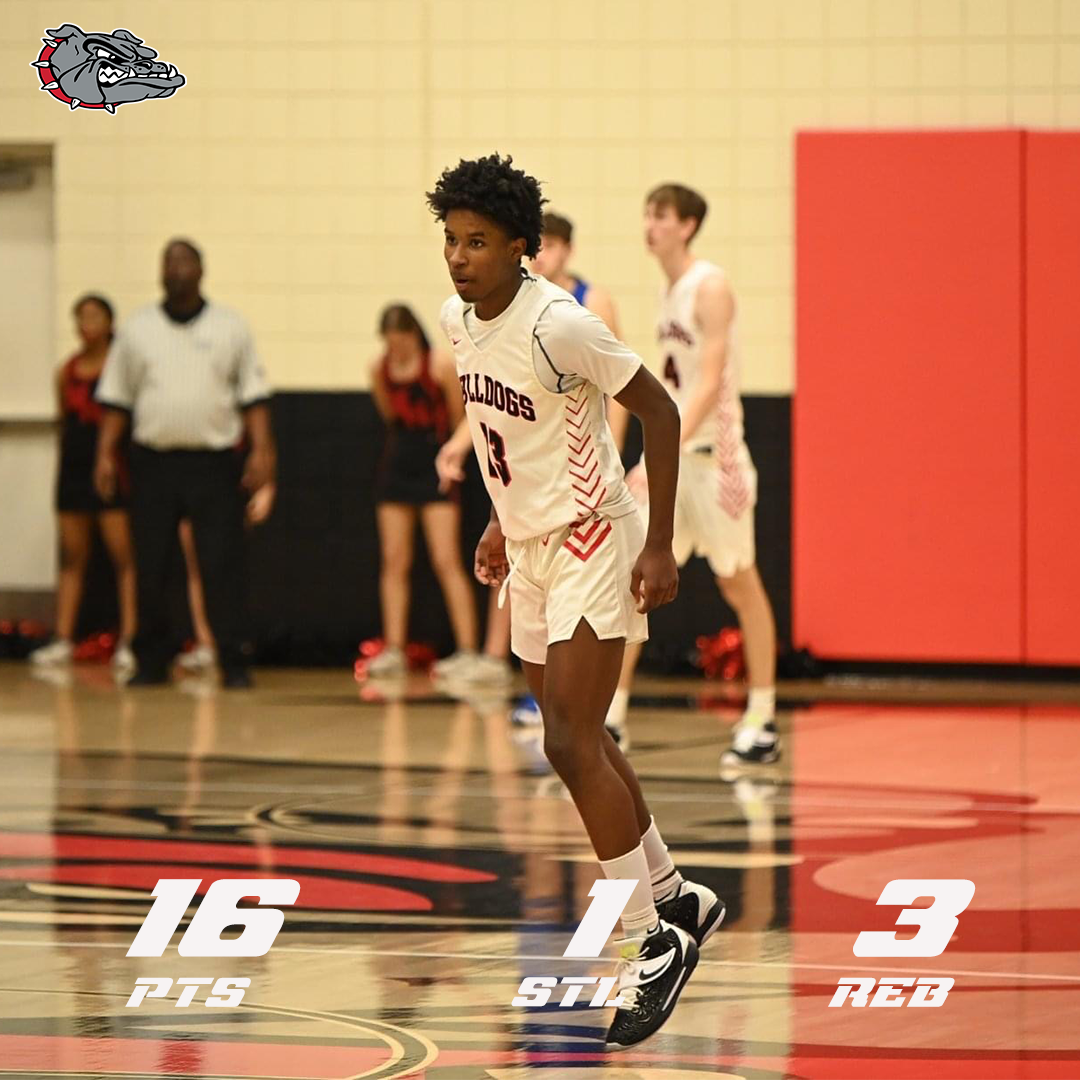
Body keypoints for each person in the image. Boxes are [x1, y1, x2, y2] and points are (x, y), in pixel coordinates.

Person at [427, 154, 724, 1048]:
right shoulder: (456, 320)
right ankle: (674, 897)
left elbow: (661, 411)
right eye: (452, 239)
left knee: (565, 737)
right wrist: (498, 519)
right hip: (528, 547)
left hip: (593, 534)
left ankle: (650, 940)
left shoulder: (560, 322)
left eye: (479, 241)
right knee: (582, 737)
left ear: (522, 246)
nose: (460, 256)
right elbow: (502, 433)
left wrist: (659, 543)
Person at [617, 183, 779, 772]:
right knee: (633, 582)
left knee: (739, 584)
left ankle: (762, 717)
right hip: (678, 462)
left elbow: (709, 385)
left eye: (660, 215)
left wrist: (656, 452)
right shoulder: (666, 291)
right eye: (647, 213)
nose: (650, 224)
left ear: (686, 225)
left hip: (716, 462)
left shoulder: (710, 286)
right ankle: (611, 716)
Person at [94, 239, 275, 689]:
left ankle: (232, 658)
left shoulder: (230, 326)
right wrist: (104, 454)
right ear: (160, 272)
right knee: (151, 563)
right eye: (169, 262)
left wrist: (262, 451)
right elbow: (117, 401)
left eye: (185, 262)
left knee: (221, 563)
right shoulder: (137, 330)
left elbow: (253, 397)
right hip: (152, 462)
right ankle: (152, 660)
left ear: (201, 270)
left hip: (213, 464)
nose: (176, 269)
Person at [366, 304, 495, 681]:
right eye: (390, 343)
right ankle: (394, 648)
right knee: (394, 560)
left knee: (445, 558)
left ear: (414, 334)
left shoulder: (438, 364)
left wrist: (450, 453)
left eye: (401, 341)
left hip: (436, 460)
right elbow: (389, 414)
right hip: (397, 463)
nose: (397, 350)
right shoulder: (378, 368)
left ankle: (468, 649)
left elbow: (460, 414)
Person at [30, 294, 136, 675]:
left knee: (123, 556)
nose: (86, 324)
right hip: (74, 470)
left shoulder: (120, 369)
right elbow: (64, 419)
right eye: (81, 317)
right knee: (72, 555)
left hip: (110, 469)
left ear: (110, 323)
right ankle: (63, 638)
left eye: (94, 316)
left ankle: (130, 640)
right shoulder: (66, 370)